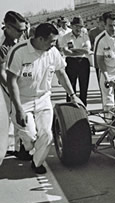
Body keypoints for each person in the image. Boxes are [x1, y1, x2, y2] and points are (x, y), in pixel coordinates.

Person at [6, 23, 84, 174]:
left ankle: (37, 162)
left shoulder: (52, 52)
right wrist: (18, 108)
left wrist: (73, 96)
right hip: (22, 99)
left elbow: (61, 74)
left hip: (43, 98)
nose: (54, 44)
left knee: (47, 135)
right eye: (51, 41)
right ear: (40, 39)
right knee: (29, 134)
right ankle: (29, 147)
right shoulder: (19, 52)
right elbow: (11, 81)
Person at [0, 11, 28, 165]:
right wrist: (12, 91)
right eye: (19, 30)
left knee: (19, 112)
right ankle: (8, 148)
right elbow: (2, 73)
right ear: (8, 27)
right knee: (8, 115)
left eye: (24, 30)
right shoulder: (1, 44)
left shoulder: (19, 37)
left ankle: (19, 147)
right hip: (4, 83)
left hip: (16, 80)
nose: (22, 33)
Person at [59, 16, 91, 106]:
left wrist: (73, 50)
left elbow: (87, 51)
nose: (78, 28)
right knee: (70, 87)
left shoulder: (85, 36)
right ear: (72, 26)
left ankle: (83, 107)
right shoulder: (66, 37)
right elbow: (66, 52)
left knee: (84, 87)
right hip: (71, 62)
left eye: (80, 26)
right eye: (76, 26)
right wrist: (80, 50)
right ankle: (70, 107)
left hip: (83, 62)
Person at [88, 16, 105, 82]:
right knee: (101, 80)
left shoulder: (108, 31)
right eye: (102, 24)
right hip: (98, 59)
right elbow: (90, 45)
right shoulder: (92, 32)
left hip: (109, 58)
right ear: (99, 23)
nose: (103, 26)